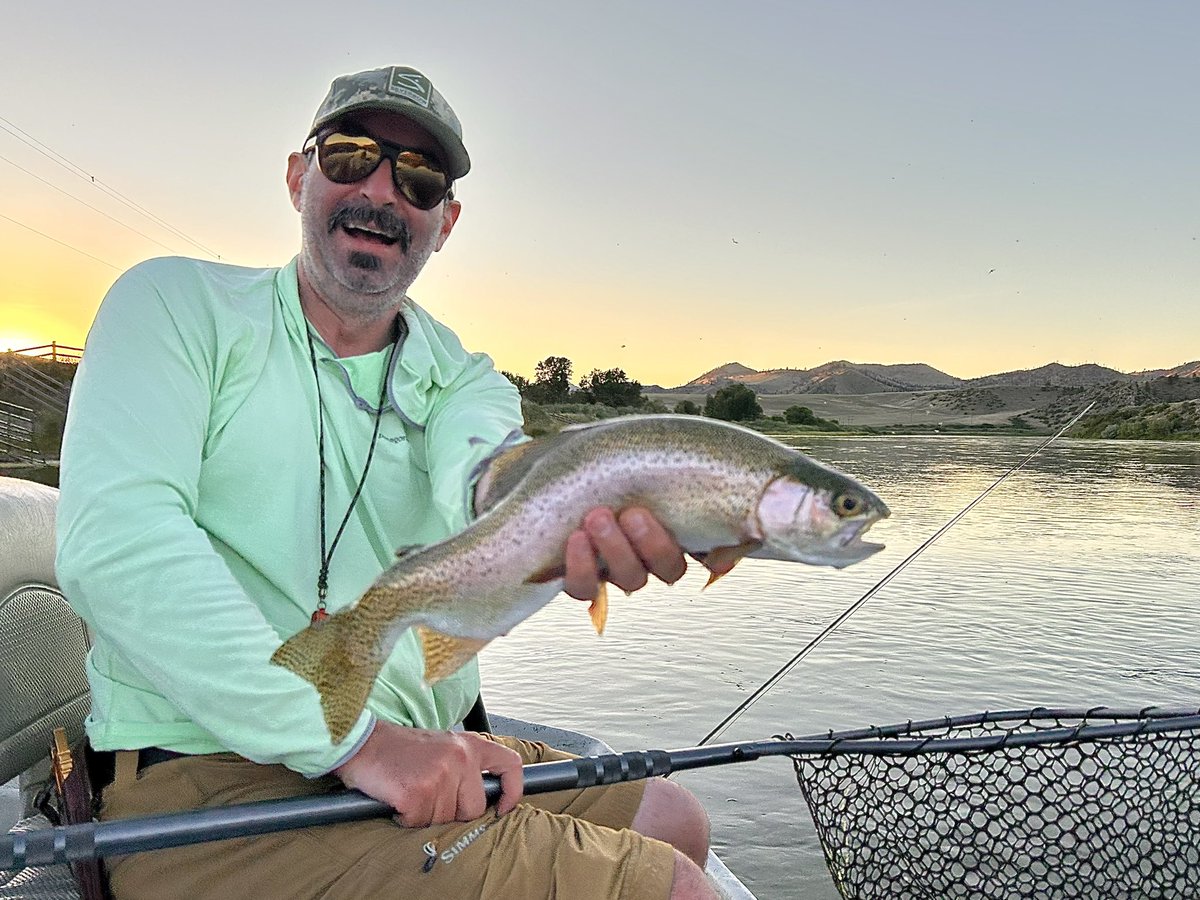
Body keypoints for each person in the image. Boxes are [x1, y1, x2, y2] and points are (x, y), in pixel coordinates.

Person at [55, 65, 717, 899]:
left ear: (445, 222)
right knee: (674, 889)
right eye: (351, 156)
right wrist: (360, 746)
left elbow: (483, 483)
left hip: (412, 744)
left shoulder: (463, 375)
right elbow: (117, 543)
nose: (380, 192)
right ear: (299, 175)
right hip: (210, 773)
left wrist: (571, 521)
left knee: (674, 815)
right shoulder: (176, 305)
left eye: (418, 178)